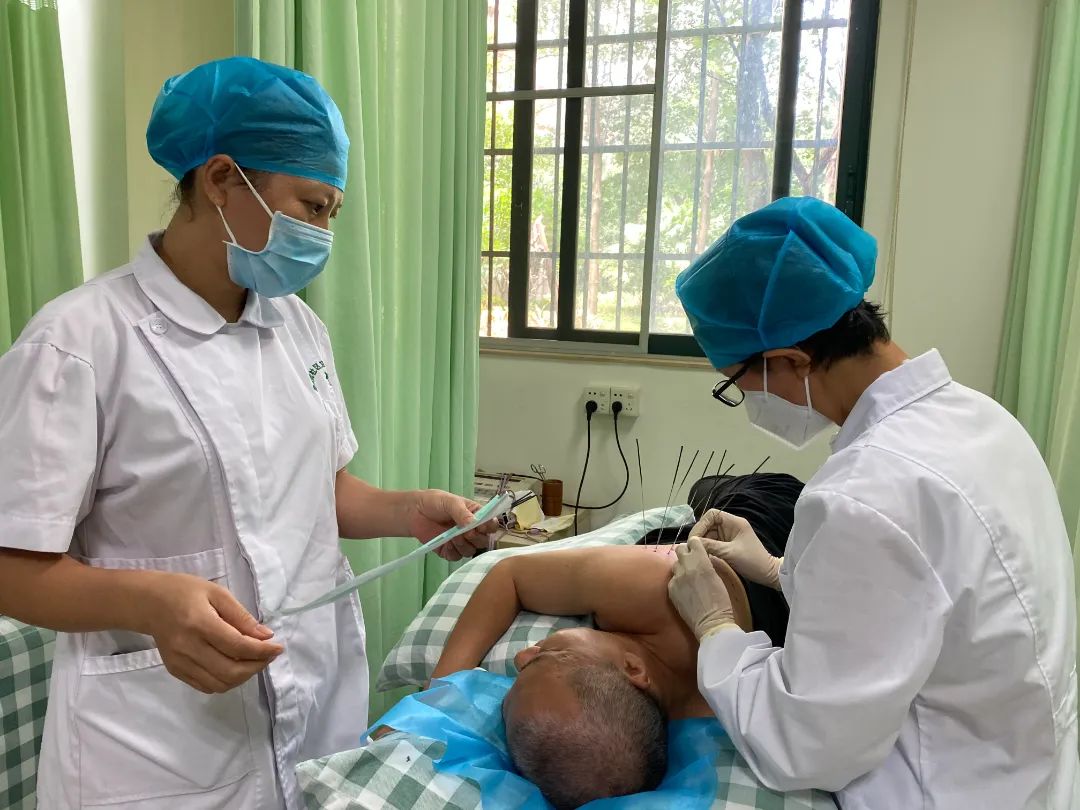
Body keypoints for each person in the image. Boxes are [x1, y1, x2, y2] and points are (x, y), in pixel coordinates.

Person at [0, 56, 492, 810]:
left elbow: (318, 491)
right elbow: (14, 566)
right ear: (222, 179)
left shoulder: (296, 329)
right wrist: (150, 602)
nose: (322, 233)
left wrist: (407, 511)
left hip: (310, 709)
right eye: (312, 206)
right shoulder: (78, 343)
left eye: (332, 213)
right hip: (155, 745)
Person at [667, 196, 1079, 809]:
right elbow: (932, 601)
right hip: (1030, 770)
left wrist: (716, 629)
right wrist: (781, 571)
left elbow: (805, 744)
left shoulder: (867, 494)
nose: (744, 399)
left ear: (790, 360)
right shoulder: (985, 420)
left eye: (736, 382)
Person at [429, 542, 765, 808]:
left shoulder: (650, 584)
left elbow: (510, 574)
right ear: (633, 669)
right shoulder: (651, 591)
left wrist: (437, 693)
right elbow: (511, 574)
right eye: (544, 657)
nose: (521, 656)